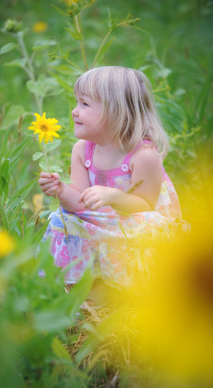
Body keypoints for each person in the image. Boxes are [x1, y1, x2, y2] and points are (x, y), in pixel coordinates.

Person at [39, 66, 182, 289]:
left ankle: (137, 287)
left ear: (116, 112)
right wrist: (61, 190)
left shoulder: (144, 156)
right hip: (105, 220)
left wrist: (113, 196)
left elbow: (145, 206)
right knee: (62, 217)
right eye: (77, 103)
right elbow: (79, 203)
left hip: (138, 219)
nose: (74, 111)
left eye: (84, 104)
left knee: (147, 226)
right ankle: (76, 282)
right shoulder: (82, 150)